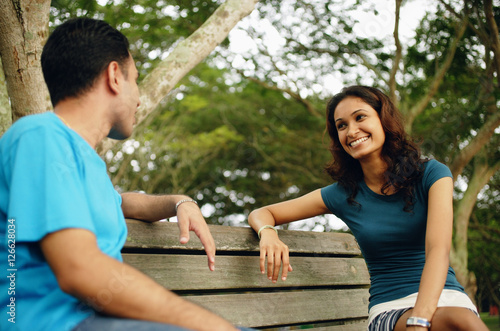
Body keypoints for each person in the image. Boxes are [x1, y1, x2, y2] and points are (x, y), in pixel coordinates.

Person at [0, 17, 249, 331]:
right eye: (136, 80)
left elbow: (119, 203)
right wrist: (214, 326)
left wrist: (180, 202)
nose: (140, 97)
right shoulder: (39, 136)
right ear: (115, 76)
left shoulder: (81, 160)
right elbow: (81, 270)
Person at [248, 86, 488, 331]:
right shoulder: (342, 193)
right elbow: (262, 213)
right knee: (461, 323)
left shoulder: (432, 174)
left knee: (462, 321)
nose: (352, 131)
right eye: (341, 126)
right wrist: (267, 232)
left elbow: (438, 250)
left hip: (448, 298)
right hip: (392, 308)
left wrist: (420, 320)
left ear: (383, 121)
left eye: (360, 117)